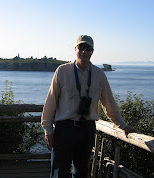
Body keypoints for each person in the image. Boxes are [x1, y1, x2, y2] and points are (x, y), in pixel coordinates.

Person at [41, 35, 136, 178]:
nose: (84, 52)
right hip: (64, 129)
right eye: (81, 47)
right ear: (75, 49)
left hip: (87, 130)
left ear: (92, 51)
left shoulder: (99, 75)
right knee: (59, 173)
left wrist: (122, 125)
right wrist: (48, 130)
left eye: (88, 48)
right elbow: (51, 102)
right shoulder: (62, 71)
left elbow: (109, 104)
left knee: (81, 172)